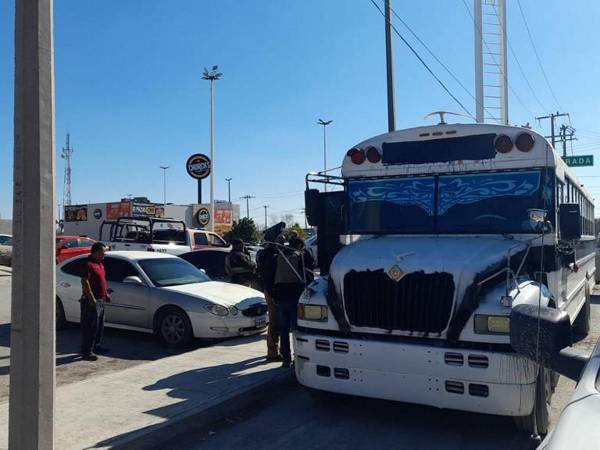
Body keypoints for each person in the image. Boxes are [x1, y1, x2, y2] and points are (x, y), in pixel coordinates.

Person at [273, 237, 313, 368]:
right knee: (297, 330)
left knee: (283, 330)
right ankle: (298, 357)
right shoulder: (300, 256)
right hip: (294, 295)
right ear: (300, 246)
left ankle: (286, 359)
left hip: (280, 296)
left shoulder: (280, 255)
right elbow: (309, 274)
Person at [256, 235, 285, 361]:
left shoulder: (264, 254)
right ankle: (273, 352)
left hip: (271, 290)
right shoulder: (271, 256)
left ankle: (274, 350)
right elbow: (269, 277)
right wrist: (273, 294)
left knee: (276, 321)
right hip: (273, 291)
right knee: (275, 321)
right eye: (281, 242)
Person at [80, 242, 111, 361]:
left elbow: (102, 281)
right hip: (91, 301)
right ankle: (86, 352)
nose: (104, 255)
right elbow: (85, 282)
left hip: (101, 300)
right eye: (103, 253)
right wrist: (91, 297)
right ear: (96, 252)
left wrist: (106, 294)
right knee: (90, 327)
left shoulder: (100, 264)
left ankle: (96, 346)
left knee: (99, 326)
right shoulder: (88, 264)